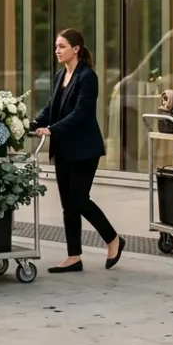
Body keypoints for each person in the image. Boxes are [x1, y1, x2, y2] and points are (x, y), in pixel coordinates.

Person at [31, 28, 125, 273]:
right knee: (68, 205)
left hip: (84, 149)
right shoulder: (60, 75)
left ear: (76, 49)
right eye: (56, 46)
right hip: (63, 149)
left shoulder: (87, 77)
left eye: (62, 46)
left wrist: (52, 129)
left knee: (80, 199)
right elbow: (52, 106)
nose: (57, 51)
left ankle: (113, 239)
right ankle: (74, 256)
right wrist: (34, 123)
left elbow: (81, 114)